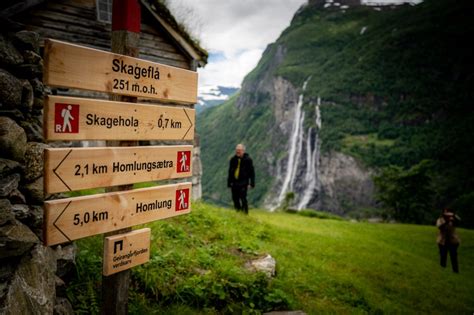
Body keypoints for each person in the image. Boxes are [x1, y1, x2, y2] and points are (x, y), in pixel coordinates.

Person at [227, 144, 255, 214]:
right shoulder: (233, 159)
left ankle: (245, 214)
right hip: (234, 183)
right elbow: (230, 171)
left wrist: (252, 183)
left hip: (243, 182)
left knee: (243, 198)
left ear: (243, 151)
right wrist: (229, 183)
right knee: (235, 199)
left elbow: (252, 172)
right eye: (237, 150)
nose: (237, 152)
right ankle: (238, 212)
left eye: (239, 150)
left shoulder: (248, 160)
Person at [436, 208, 461, 273]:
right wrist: (446, 221)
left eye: (448, 212)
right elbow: (439, 226)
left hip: (453, 241)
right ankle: (442, 269)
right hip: (442, 241)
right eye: (445, 212)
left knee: (454, 257)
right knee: (443, 256)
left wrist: (454, 216)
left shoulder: (453, 220)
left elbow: (459, 221)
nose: (447, 214)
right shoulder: (440, 219)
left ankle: (455, 271)